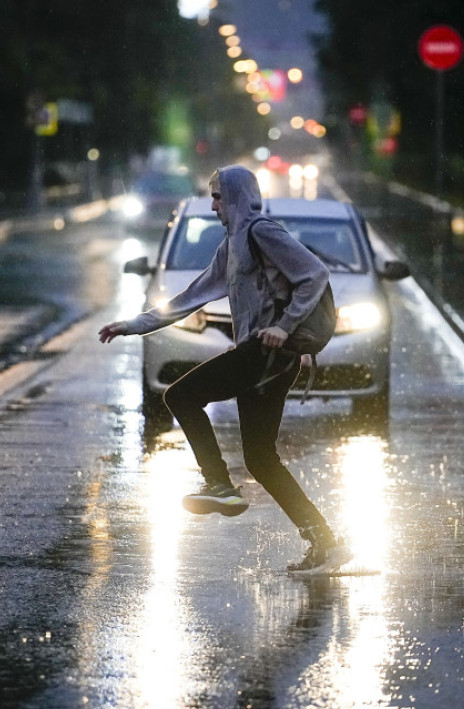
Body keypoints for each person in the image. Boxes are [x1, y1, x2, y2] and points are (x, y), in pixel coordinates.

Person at [99, 164, 352, 574]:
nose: (213, 204)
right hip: (267, 358)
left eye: (218, 197)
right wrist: (134, 325)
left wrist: (284, 326)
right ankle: (325, 542)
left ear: (236, 196)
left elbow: (314, 274)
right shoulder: (232, 246)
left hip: (266, 354)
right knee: (260, 458)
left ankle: (217, 483)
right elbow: (190, 297)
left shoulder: (261, 232)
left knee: (180, 395)